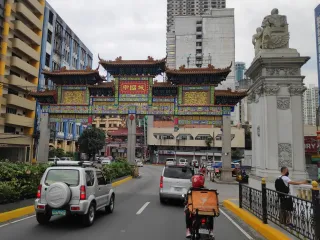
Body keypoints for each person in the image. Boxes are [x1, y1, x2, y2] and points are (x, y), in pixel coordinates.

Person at [184, 173, 214, 238]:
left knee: (187, 211)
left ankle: (188, 229)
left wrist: (186, 202)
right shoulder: (205, 189)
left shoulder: (191, 189)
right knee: (211, 213)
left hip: (196, 209)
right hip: (203, 208)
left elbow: (187, 199)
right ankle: (211, 230)